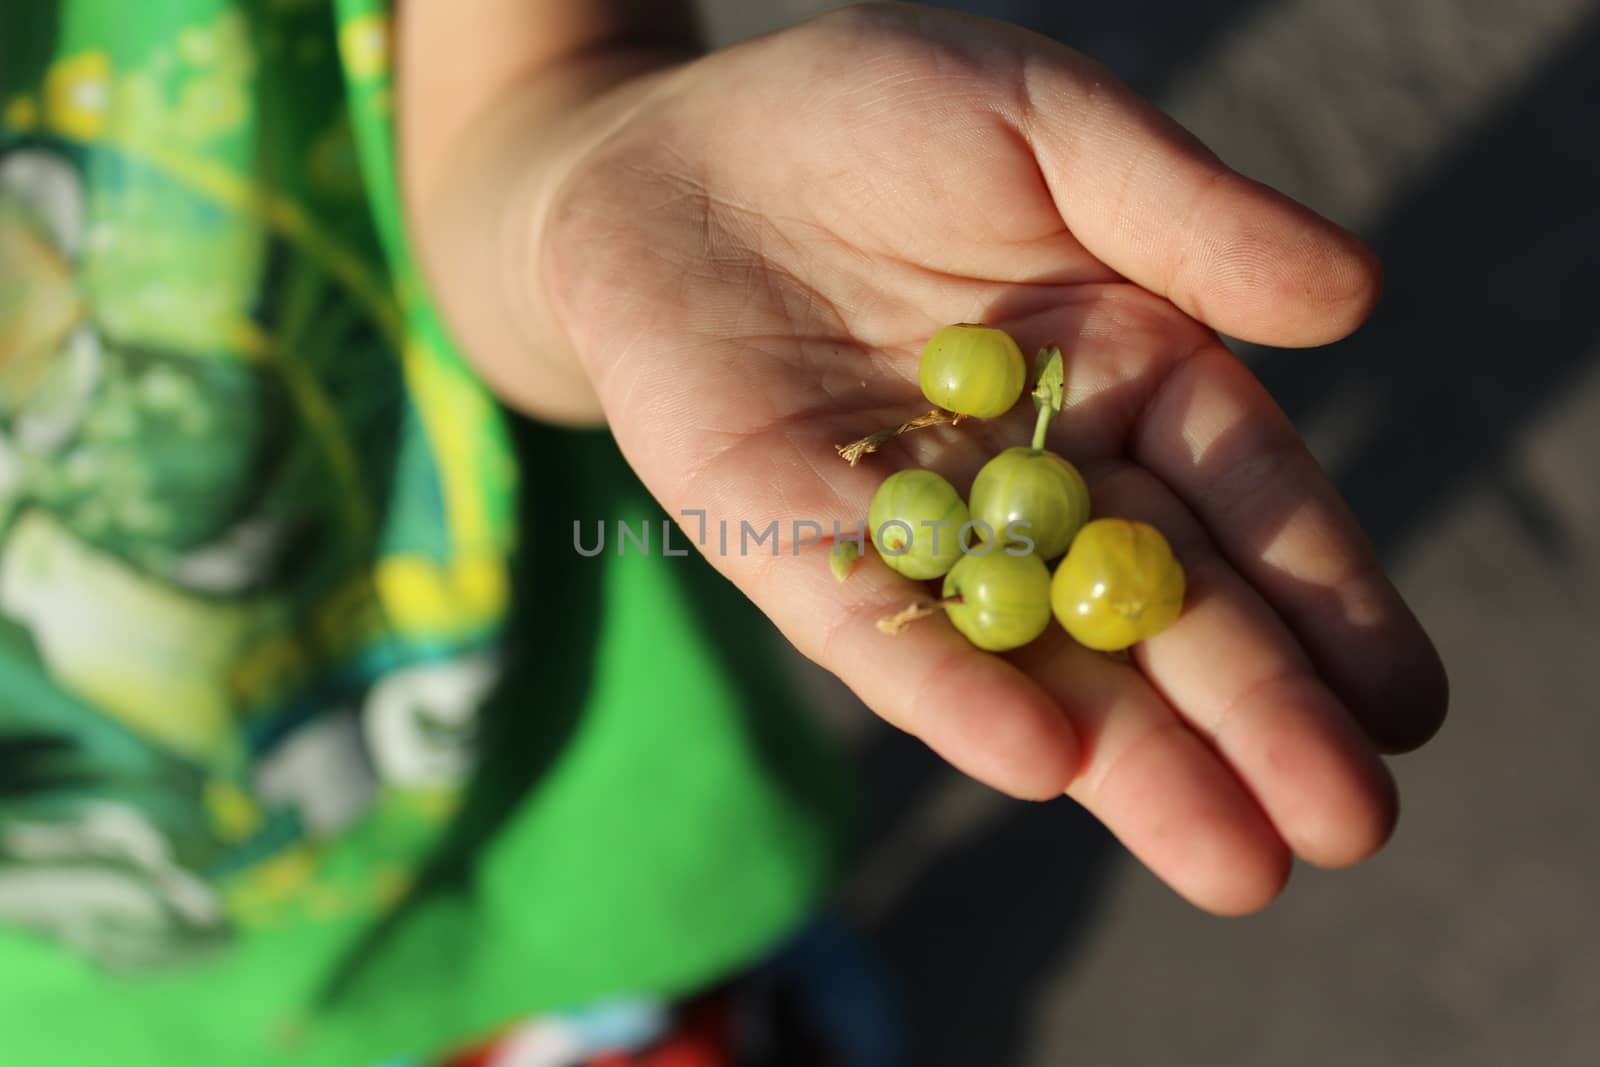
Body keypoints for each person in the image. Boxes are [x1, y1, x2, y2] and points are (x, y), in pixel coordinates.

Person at [0, 1, 1448, 1064]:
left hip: (569, 831)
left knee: (634, 1017)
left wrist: (612, 167)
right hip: (75, 1007)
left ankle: (660, 1017)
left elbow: (523, 88)